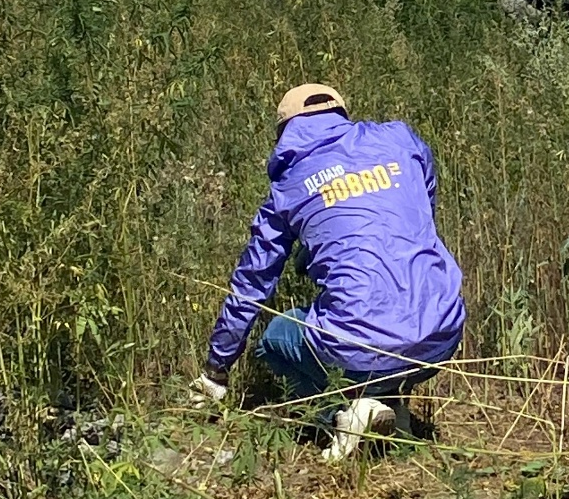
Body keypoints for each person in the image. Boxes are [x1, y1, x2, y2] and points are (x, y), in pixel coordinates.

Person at [193, 84, 465, 462]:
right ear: (340, 114)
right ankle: (389, 407)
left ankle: (340, 413)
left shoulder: (288, 187)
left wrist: (217, 368)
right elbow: (424, 204)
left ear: (286, 130)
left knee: (275, 338)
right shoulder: (401, 140)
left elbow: (252, 284)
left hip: (357, 344)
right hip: (442, 334)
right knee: (376, 316)